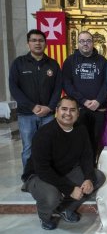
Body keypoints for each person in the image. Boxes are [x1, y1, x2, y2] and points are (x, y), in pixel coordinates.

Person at [21, 96, 106, 230]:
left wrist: (88, 178)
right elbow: (43, 170)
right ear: (56, 111)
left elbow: (86, 157)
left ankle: (65, 208)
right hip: (39, 176)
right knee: (52, 196)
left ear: (78, 113)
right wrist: (70, 189)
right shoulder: (44, 134)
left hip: (65, 171)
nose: (68, 113)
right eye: (64, 109)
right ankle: (45, 216)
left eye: (72, 110)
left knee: (98, 177)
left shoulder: (81, 130)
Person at [9, 29, 62, 168]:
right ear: (28, 44)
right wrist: (32, 106)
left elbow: (58, 88)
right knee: (28, 148)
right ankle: (28, 177)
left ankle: (47, 176)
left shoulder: (53, 64)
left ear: (45, 44)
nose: (37, 43)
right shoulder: (19, 63)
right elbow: (14, 88)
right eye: (34, 40)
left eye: (41, 40)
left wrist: (50, 107)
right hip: (26, 114)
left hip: (48, 115)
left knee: (49, 146)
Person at [62, 31, 107, 165]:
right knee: (78, 139)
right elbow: (67, 84)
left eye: (88, 41)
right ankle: (78, 167)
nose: (85, 44)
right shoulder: (70, 61)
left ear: (93, 43)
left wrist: (98, 100)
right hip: (79, 108)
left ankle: (92, 166)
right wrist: (83, 100)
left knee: (95, 139)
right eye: (82, 41)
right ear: (78, 43)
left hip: (98, 109)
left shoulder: (102, 61)